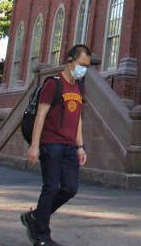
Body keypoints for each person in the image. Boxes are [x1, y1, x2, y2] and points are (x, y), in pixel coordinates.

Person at [21, 44, 91, 246]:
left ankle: (34, 217)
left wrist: (80, 146)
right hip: (51, 143)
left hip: (70, 146)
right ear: (70, 61)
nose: (84, 69)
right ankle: (41, 235)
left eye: (86, 66)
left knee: (70, 188)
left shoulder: (79, 86)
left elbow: (77, 118)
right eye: (81, 64)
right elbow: (40, 116)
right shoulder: (53, 84)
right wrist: (34, 146)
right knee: (50, 187)